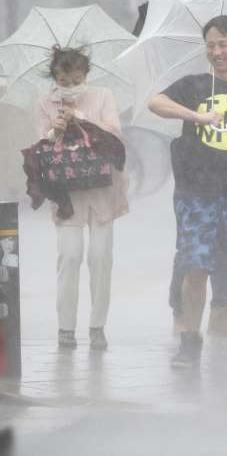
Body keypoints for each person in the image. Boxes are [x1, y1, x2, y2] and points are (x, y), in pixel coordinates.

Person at [148, 15, 227, 370]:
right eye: (211, 45)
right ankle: (190, 340)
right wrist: (197, 116)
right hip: (196, 192)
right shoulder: (194, 85)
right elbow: (156, 103)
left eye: (224, 44)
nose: (217, 52)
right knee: (196, 268)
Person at [32, 46, 128, 351]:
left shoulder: (102, 96)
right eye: (64, 81)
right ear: (55, 77)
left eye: (76, 80)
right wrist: (54, 130)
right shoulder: (44, 103)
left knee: (101, 258)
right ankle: (66, 327)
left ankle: (97, 326)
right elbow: (40, 147)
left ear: (86, 75)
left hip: (102, 187)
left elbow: (115, 133)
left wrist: (82, 117)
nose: (70, 86)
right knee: (70, 256)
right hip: (67, 190)